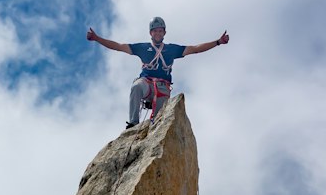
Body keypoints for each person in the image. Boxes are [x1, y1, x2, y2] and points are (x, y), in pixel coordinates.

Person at [87, 16, 229, 126]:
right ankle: (133, 123)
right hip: (146, 83)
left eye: (160, 30)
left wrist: (218, 42)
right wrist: (97, 38)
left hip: (162, 88)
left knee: (157, 123)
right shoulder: (142, 48)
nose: (158, 33)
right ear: (151, 33)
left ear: (164, 32)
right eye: (155, 31)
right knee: (136, 86)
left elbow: (195, 49)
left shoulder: (172, 49)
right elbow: (118, 46)